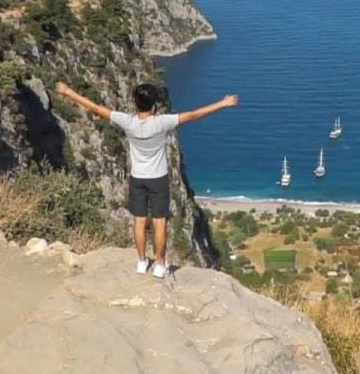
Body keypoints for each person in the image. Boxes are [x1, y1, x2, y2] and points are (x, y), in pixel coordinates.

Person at [55, 81, 238, 278]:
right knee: (160, 223)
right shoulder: (162, 123)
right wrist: (223, 103)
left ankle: (142, 262)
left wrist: (68, 92)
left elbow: (97, 109)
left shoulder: (128, 122)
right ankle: (159, 265)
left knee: (139, 221)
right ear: (154, 104)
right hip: (158, 179)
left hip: (138, 178)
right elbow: (193, 115)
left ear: (135, 102)